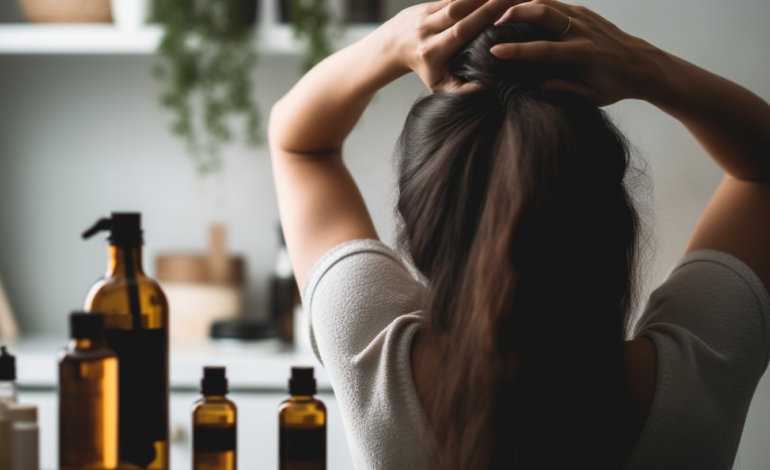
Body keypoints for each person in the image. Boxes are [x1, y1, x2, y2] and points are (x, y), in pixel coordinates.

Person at [268, 0, 770, 468]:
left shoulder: (376, 359)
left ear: (423, 223)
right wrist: (646, 65)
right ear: (608, 222)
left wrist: (390, 42)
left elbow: (299, 144)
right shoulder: (692, 390)